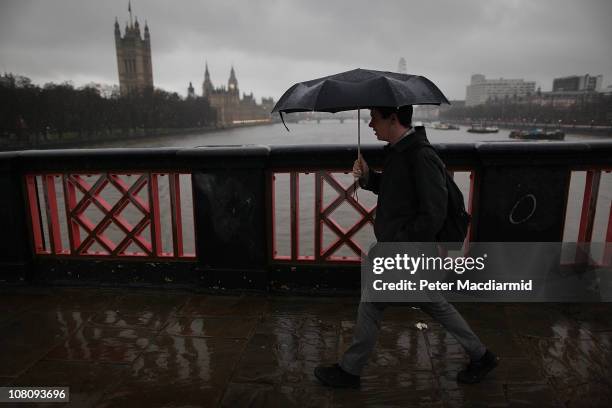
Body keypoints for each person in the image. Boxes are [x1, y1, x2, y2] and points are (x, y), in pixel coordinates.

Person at [314, 106, 499, 388]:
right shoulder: (401, 151)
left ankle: (349, 371)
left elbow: (433, 213)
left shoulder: (421, 156)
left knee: (374, 302)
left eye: (374, 117)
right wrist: (367, 177)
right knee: (429, 302)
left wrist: (400, 242)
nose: (370, 122)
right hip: (407, 247)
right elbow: (395, 190)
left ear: (393, 118)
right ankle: (481, 355)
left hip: (408, 249)